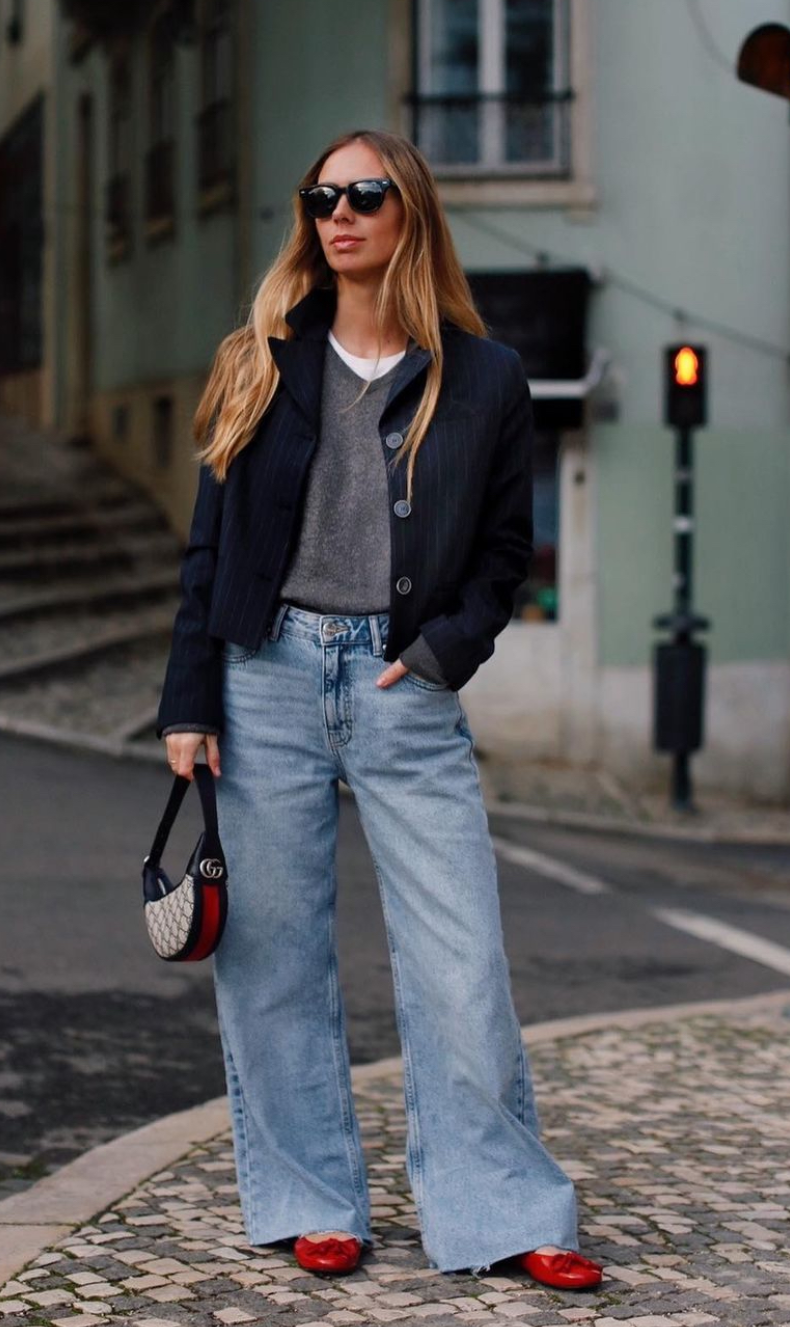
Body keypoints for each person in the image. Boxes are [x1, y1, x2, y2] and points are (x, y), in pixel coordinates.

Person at [155, 128, 603, 1290]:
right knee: (276, 959)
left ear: (410, 213)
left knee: (461, 962)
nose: (338, 215)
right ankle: (313, 1198)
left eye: (364, 195)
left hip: (405, 688)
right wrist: (188, 699)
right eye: (321, 197)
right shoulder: (260, 355)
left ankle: (502, 1208)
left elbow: (506, 551)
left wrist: (448, 649)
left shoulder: (485, 378)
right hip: (268, 676)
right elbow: (210, 551)